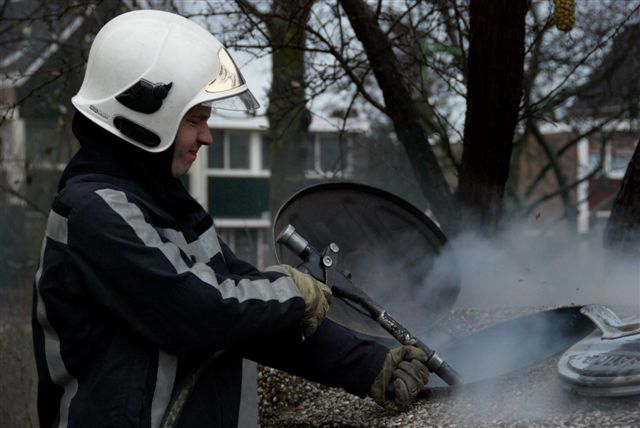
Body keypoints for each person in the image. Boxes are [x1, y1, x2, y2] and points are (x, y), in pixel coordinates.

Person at [31, 10, 430, 428]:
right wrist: (289, 289)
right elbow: (201, 312)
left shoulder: (166, 206)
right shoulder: (94, 212)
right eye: (195, 120)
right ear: (144, 116)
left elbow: (247, 316)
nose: (207, 136)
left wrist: (369, 365)